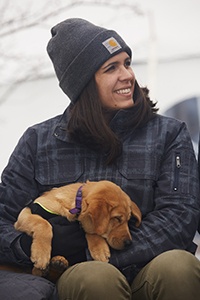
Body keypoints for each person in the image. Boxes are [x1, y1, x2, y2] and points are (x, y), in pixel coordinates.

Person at [0, 18, 200, 300]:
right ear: (84, 84)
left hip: (150, 269)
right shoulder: (38, 141)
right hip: (77, 278)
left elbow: (180, 215)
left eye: (127, 63)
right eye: (111, 68)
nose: (128, 75)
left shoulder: (169, 134)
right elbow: (3, 217)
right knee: (97, 277)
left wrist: (99, 246)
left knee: (179, 266)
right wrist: (30, 245)